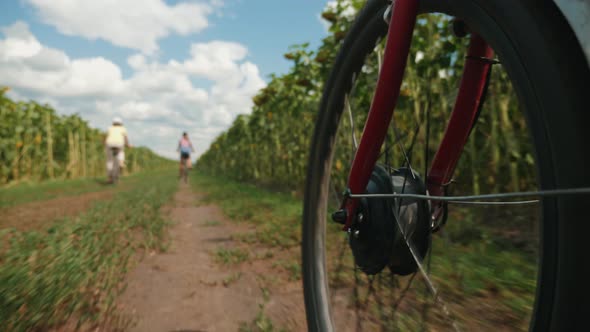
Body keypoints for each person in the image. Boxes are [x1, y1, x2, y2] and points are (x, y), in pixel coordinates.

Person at [104, 117, 130, 183]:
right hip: (119, 144)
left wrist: (104, 144)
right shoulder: (122, 128)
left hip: (109, 144)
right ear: (121, 123)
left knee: (109, 161)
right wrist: (128, 144)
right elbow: (125, 138)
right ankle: (121, 162)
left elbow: (106, 137)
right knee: (121, 153)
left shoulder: (109, 128)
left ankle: (109, 177)